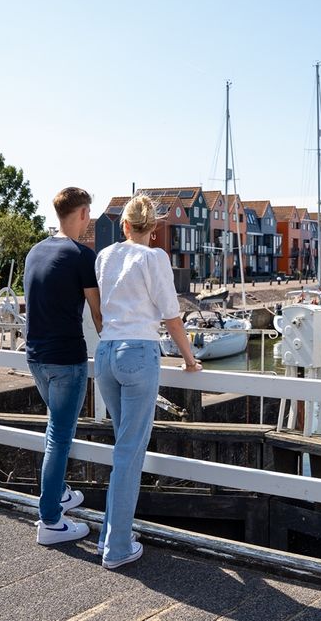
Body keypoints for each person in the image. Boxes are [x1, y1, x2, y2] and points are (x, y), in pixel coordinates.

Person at [94, 194, 202, 569]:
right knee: (129, 452)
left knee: (123, 447)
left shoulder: (104, 257)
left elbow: (101, 307)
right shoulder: (153, 258)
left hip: (105, 354)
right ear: (153, 228)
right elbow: (171, 316)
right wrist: (189, 359)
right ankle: (117, 548)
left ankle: (110, 536)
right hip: (138, 352)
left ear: (124, 225)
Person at [24, 187, 102, 546]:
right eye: (89, 213)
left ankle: (60, 492)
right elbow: (99, 315)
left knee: (54, 429)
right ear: (83, 213)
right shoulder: (82, 256)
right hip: (67, 360)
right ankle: (51, 521)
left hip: (36, 357)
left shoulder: (35, 252)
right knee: (59, 436)